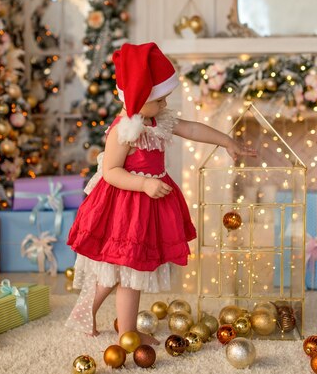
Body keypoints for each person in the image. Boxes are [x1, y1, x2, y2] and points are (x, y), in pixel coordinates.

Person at [65, 42, 256, 345]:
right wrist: (144, 184)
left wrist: (225, 141)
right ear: (139, 97)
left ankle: (87, 311)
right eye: (159, 100)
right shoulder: (123, 131)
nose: (165, 105)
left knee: (123, 268)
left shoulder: (157, 119)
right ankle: (126, 332)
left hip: (146, 204)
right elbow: (111, 172)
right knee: (128, 270)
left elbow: (191, 129)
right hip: (125, 204)